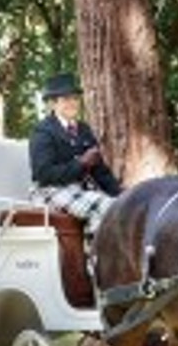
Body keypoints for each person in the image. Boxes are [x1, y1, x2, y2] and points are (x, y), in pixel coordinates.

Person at [29, 72, 122, 234]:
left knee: (121, 205)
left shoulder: (84, 130)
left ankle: (92, 248)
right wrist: (81, 163)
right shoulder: (43, 131)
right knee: (106, 207)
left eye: (75, 98)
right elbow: (43, 173)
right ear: (53, 104)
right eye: (65, 99)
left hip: (79, 190)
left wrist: (122, 194)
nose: (72, 103)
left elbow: (99, 170)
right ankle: (97, 256)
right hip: (49, 190)